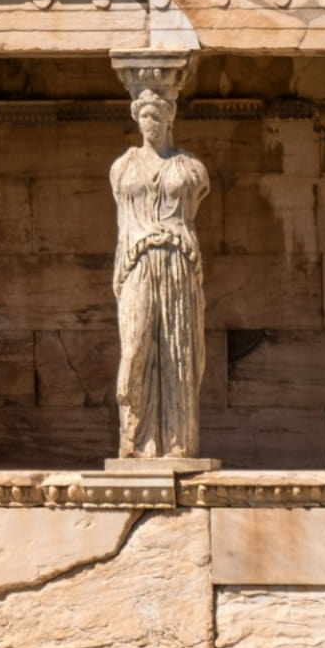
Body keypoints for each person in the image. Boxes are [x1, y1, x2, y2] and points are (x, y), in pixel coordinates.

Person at [110, 87, 209, 458]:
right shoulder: (121, 167)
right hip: (136, 262)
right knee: (135, 346)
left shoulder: (191, 168)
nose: (148, 124)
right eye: (143, 116)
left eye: (155, 116)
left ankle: (177, 442)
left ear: (169, 118)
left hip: (177, 261)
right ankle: (136, 441)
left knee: (177, 349)